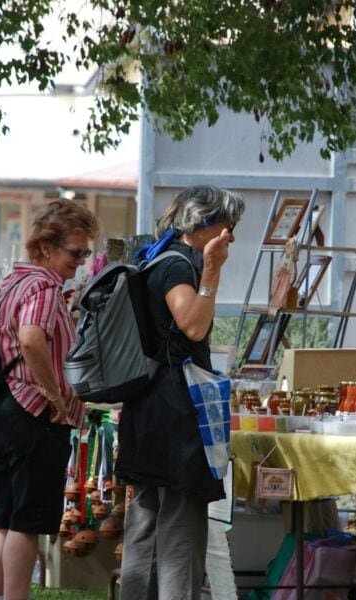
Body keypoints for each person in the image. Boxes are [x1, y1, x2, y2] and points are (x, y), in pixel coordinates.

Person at [116, 184, 245, 600]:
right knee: (179, 535)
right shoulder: (178, 266)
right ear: (204, 225)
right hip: (174, 412)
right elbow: (192, 324)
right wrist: (212, 271)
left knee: (146, 526)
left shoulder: (155, 258)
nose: (232, 237)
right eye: (229, 226)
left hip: (148, 406)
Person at [0, 199, 99, 600]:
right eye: (74, 251)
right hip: (31, 413)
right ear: (47, 247)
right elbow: (31, 339)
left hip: (0, 408)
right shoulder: (45, 286)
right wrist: (55, 395)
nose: (80, 261)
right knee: (25, 523)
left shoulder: (15, 280)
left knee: (3, 518)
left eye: (85, 253)